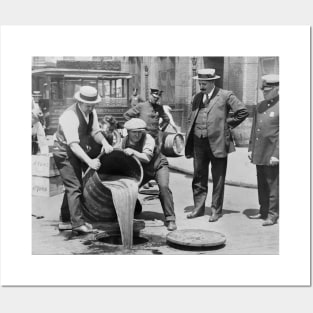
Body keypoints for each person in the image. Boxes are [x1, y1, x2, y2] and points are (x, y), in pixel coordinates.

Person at [185, 68, 249, 222]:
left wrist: (226, 125)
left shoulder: (226, 95)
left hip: (218, 142)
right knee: (198, 176)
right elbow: (191, 118)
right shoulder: (197, 97)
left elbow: (242, 111)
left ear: (212, 81)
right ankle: (198, 208)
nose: (202, 85)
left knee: (218, 178)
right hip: (198, 142)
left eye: (205, 83)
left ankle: (216, 210)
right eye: (200, 82)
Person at [53, 86, 113, 234]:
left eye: (93, 105)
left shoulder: (91, 111)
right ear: (79, 101)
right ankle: (77, 223)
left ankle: (65, 220)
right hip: (63, 151)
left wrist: (105, 143)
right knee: (74, 186)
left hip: (74, 149)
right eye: (88, 105)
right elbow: (73, 144)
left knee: (74, 185)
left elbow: (95, 131)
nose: (90, 108)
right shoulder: (69, 116)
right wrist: (90, 162)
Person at [119, 118, 177, 231]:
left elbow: (146, 158)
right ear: (128, 132)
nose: (137, 135)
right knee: (129, 187)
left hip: (158, 166)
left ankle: (171, 219)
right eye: (134, 132)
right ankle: (136, 209)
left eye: (139, 132)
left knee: (164, 187)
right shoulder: (124, 141)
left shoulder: (148, 138)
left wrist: (133, 152)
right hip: (143, 170)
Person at [248, 74, 279, 226]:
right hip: (259, 151)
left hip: (272, 152)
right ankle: (263, 210)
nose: (264, 93)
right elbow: (255, 129)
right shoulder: (260, 106)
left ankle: (273, 214)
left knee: (272, 184)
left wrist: (277, 155)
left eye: (267, 91)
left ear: (276, 89)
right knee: (261, 183)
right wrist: (250, 148)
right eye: (263, 91)